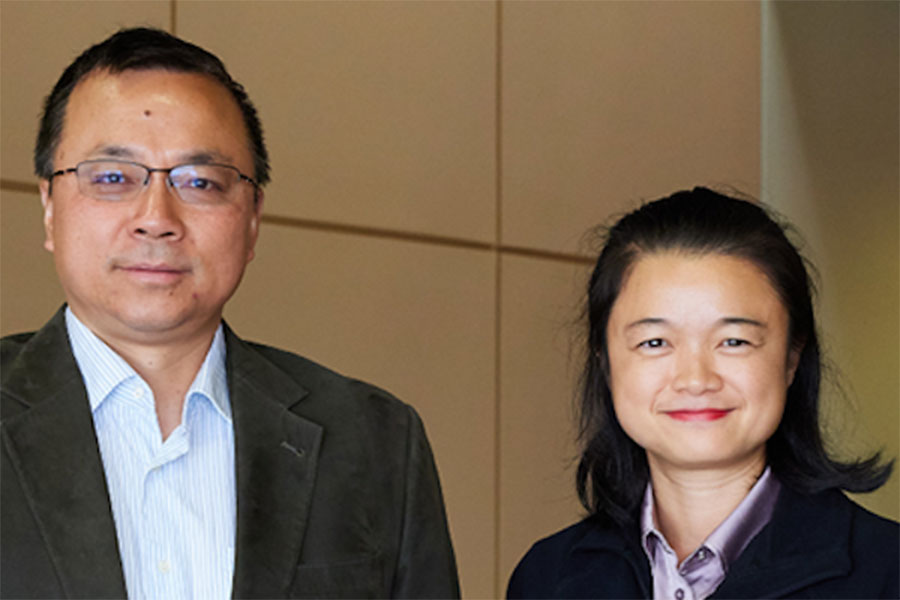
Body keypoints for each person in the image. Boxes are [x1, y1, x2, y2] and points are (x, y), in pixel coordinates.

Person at [1, 27, 458, 599]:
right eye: (113, 178)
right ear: (49, 206)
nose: (156, 218)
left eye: (201, 182)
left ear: (253, 218)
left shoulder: (374, 442)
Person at [507, 188, 898, 599]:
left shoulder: (888, 573)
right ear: (605, 361)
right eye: (655, 342)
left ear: (791, 358)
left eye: (734, 341)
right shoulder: (546, 578)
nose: (695, 379)